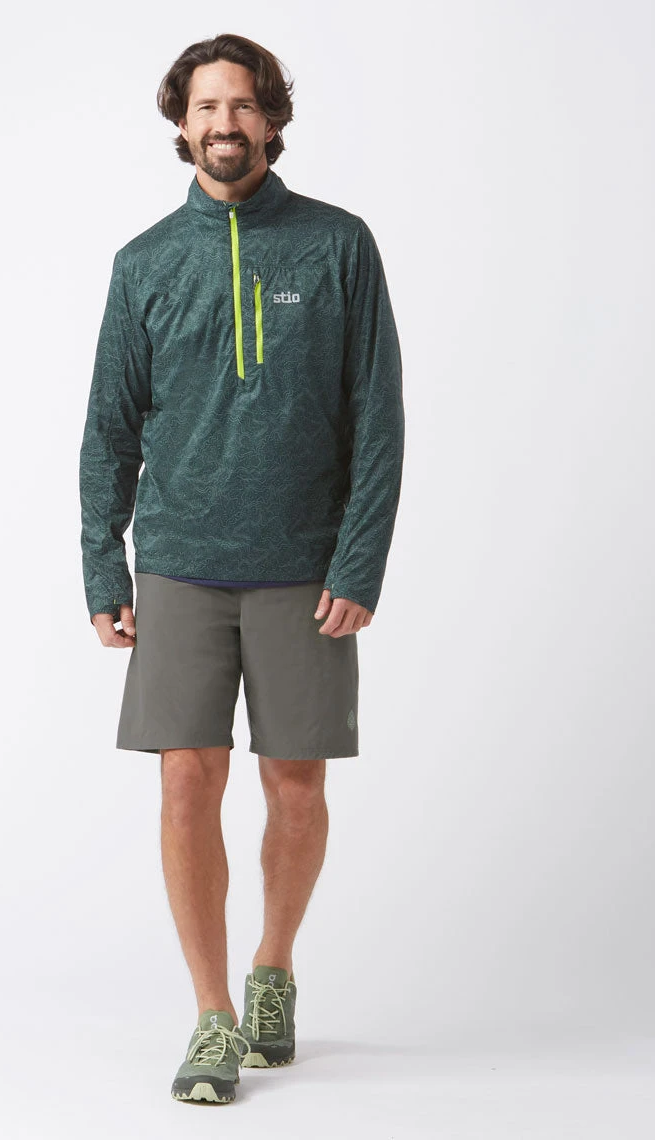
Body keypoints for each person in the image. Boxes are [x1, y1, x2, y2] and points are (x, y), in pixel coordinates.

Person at [79, 32, 405, 1104]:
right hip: (179, 559)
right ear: (181, 124)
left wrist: (359, 559)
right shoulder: (143, 265)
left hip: (304, 565)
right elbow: (108, 429)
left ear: (272, 119)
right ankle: (213, 1014)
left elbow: (377, 417)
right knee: (186, 778)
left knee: (294, 786)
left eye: (243, 105)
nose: (225, 124)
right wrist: (103, 567)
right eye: (206, 107)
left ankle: (272, 969)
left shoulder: (337, 245)